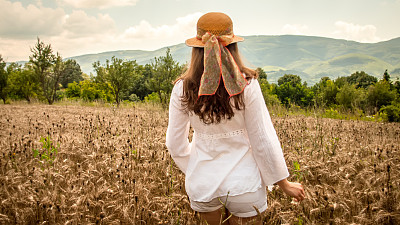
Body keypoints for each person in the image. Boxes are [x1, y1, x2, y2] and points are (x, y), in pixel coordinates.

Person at [166, 12, 305, 225]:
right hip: (244, 184)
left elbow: (175, 145)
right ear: (232, 46)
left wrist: (196, 168)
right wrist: (284, 183)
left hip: (203, 185)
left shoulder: (182, 88)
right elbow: (262, 139)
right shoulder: (247, 84)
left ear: (197, 47)